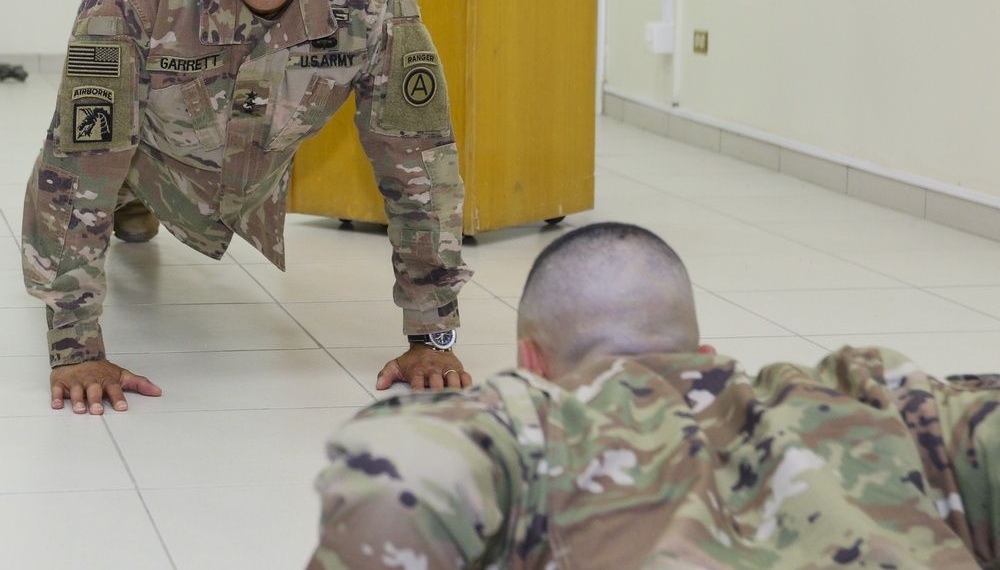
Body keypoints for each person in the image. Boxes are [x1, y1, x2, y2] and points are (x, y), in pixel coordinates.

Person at [21, 0, 473, 416]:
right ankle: (138, 201)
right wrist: (75, 349)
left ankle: (147, 205)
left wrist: (431, 335)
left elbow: (420, 160)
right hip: (147, 146)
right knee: (115, 162)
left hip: (255, 148)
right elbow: (79, 164)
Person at [307, 222, 999, 569]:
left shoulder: (537, 425)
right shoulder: (883, 401)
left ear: (530, 363)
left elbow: (402, 471)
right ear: (702, 355)